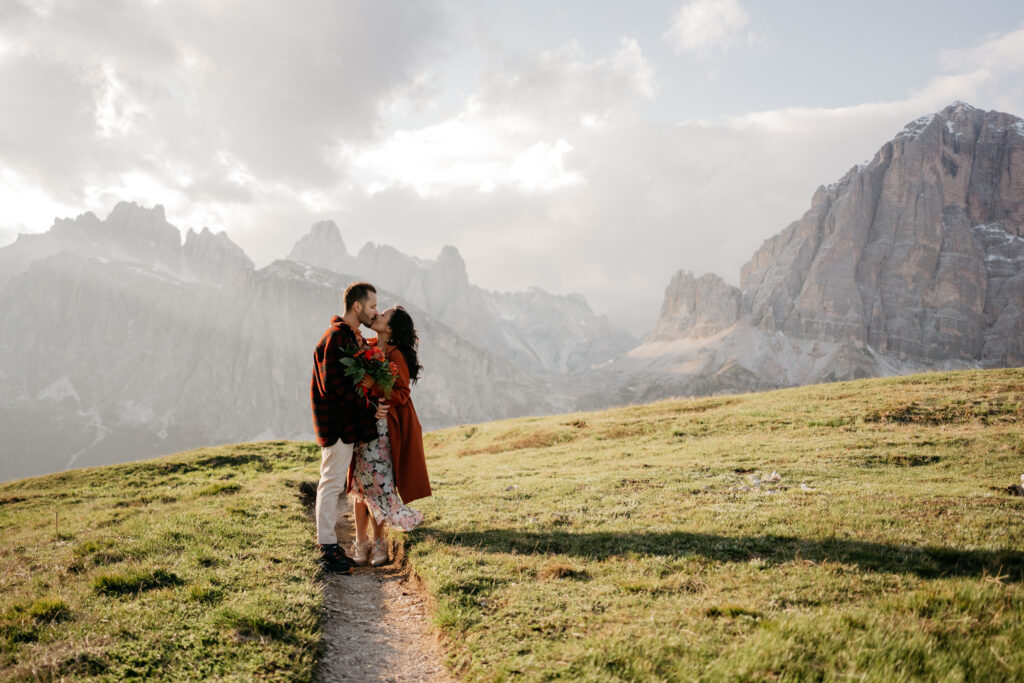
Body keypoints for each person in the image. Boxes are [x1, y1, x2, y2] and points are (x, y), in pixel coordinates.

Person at [310, 281, 388, 573]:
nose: (374, 312)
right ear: (357, 306)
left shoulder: (348, 337)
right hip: (337, 427)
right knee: (330, 483)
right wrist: (369, 408)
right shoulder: (336, 338)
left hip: (344, 426)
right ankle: (327, 548)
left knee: (332, 483)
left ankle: (329, 544)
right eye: (371, 307)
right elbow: (335, 387)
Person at [347, 305, 432, 567]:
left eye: (383, 315)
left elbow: (402, 394)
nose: (377, 316)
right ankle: (361, 543)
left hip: (382, 429)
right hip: (361, 424)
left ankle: (379, 542)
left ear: (391, 328)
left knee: (378, 485)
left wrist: (375, 391)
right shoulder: (367, 347)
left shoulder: (396, 354)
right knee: (358, 487)